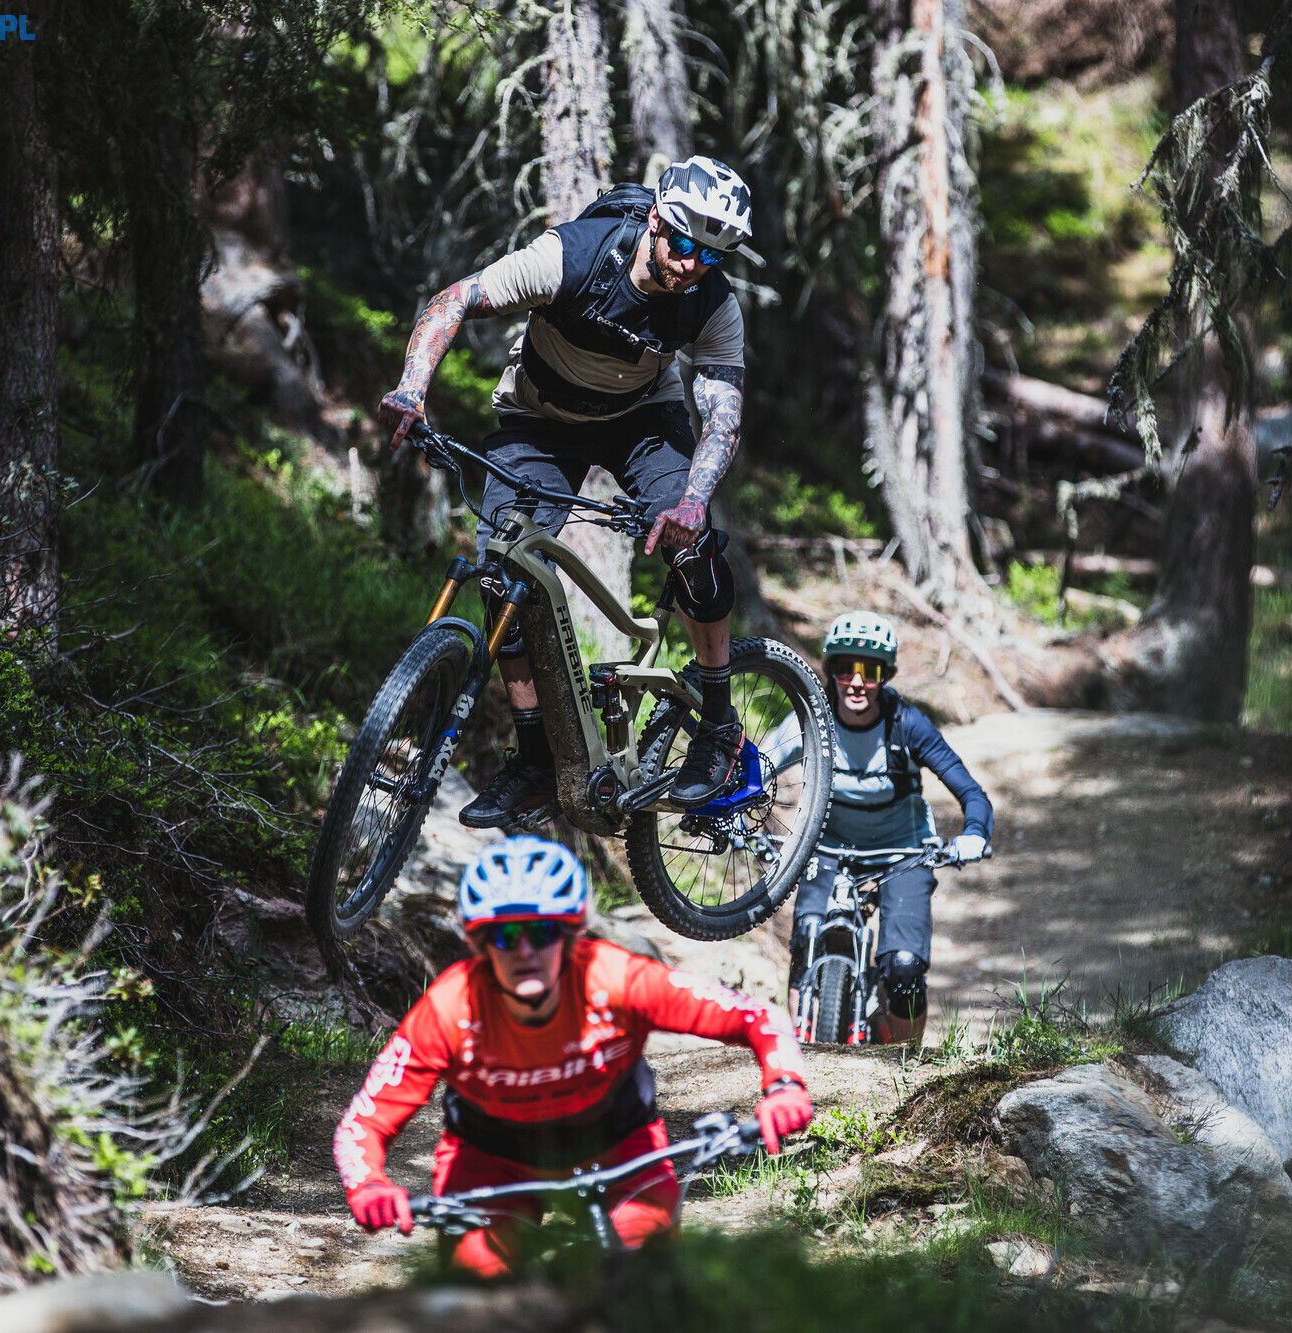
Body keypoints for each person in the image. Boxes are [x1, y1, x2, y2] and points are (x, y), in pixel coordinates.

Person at [377, 157, 764, 828]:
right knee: (505, 572)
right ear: (655, 220)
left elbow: (722, 413)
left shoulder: (711, 301)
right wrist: (412, 389)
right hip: (539, 418)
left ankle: (719, 729)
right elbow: (455, 299)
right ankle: (533, 761)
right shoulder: (573, 257)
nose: (694, 262)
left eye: (712, 253)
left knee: (693, 545)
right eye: (685, 243)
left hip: (643, 422)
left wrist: (691, 500)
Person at [334, 836, 814, 1275]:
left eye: (542, 932)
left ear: (571, 936)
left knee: (642, 1275)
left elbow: (757, 1018)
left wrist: (785, 1085)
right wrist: (369, 1184)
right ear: (478, 944)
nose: (525, 951)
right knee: (476, 1290)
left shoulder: (616, 979)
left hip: (618, 1146)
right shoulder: (450, 1007)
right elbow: (364, 1124)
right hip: (490, 1158)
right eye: (504, 936)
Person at [788, 612, 993, 1044]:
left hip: (902, 853)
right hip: (826, 849)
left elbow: (972, 793)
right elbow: (758, 768)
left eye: (871, 670)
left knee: (902, 968)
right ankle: (801, 1051)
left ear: (886, 675)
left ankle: (906, 1072)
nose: (857, 682)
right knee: (806, 939)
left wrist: (974, 834)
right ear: (832, 671)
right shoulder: (812, 716)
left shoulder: (907, 723)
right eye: (847, 668)